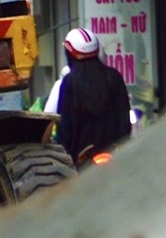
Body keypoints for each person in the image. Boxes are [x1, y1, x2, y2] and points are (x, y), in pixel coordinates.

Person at [44, 26, 132, 163]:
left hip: (82, 158)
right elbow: (124, 121)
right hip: (114, 156)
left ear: (69, 54)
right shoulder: (114, 77)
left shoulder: (69, 81)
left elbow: (66, 127)